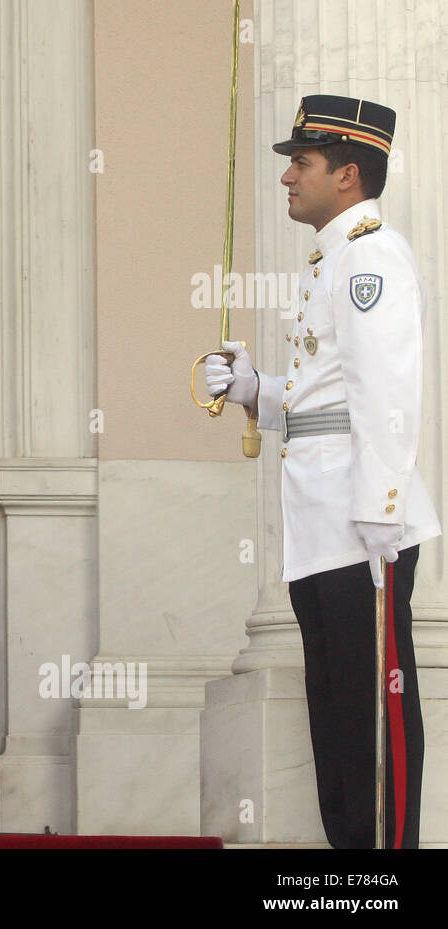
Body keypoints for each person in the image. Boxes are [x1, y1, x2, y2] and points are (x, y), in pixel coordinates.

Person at [206, 94, 440, 848]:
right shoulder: (332, 259)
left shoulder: (370, 256)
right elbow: (324, 398)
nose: (285, 178)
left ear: (347, 174)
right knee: (336, 712)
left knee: (374, 711)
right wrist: (253, 390)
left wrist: (382, 509)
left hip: (359, 523)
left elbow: (389, 393)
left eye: (299, 163)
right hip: (321, 524)